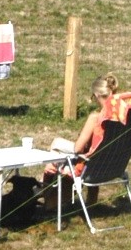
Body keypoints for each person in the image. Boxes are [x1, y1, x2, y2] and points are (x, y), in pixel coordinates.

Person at [43, 73, 120, 202]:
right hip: (114, 165)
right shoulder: (124, 117)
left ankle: (49, 197)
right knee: (62, 150)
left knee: (56, 145)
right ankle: (90, 200)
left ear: (96, 95)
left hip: (90, 167)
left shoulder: (96, 118)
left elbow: (78, 148)